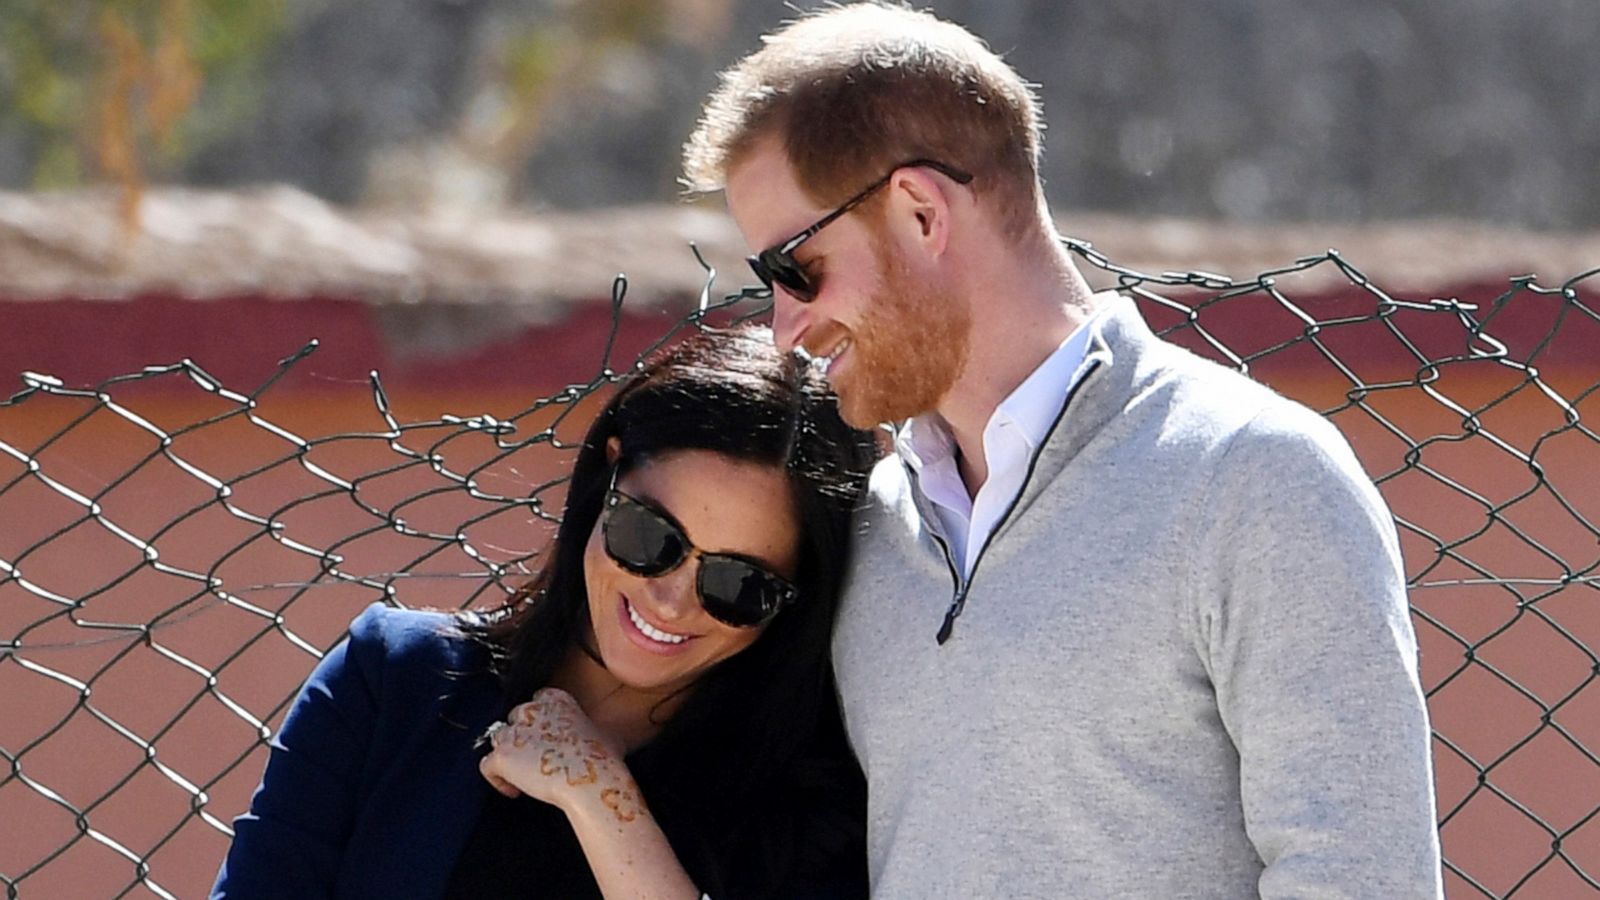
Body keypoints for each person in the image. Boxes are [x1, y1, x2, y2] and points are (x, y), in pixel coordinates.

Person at [683, 3, 1444, 897]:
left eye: (793, 270)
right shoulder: (870, 523)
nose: (782, 329)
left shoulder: (1256, 477)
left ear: (922, 211)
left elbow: (1360, 876)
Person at [212, 326, 879, 899]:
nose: (672, 599)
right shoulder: (394, 679)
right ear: (607, 475)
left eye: (740, 584)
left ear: (795, 597)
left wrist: (602, 801)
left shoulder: (807, 809)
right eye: (650, 538)